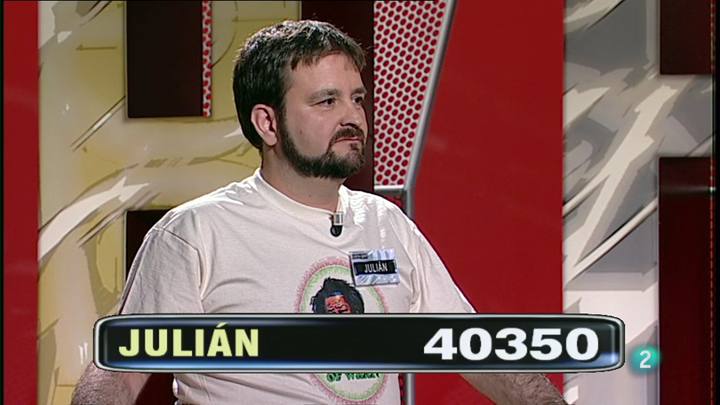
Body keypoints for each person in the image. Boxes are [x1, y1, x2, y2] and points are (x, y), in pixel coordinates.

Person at [72, 20, 566, 405]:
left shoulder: (387, 224)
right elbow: (116, 371)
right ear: (267, 123)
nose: (352, 117)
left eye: (356, 99)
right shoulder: (198, 233)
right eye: (326, 101)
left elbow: (471, 347)